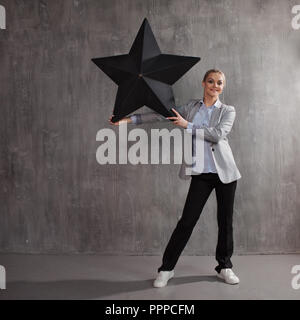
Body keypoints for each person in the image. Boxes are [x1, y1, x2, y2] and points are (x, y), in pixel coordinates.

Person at [109, 69, 242, 286]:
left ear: (223, 86)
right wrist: (127, 120)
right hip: (200, 173)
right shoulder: (190, 107)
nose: (215, 85)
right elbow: (161, 115)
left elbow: (218, 135)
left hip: (225, 173)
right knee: (187, 222)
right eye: (211, 81)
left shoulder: (228, 111)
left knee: (225, 222)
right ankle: (166, 269)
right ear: (203, 83)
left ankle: (224, 266)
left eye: (219, 83)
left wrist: (186, 125)